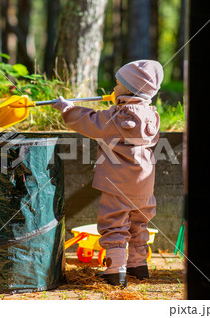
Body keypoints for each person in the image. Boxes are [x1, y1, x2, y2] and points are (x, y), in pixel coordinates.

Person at [52, 60, 163, 287]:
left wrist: (68, 109)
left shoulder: (121, 116)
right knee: (138, 223)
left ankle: (115, 270)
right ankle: (138, 266)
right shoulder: (150, 115)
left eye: (117, 84)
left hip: (119, 181)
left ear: (130, 89)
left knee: (115, 223)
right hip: (144, 181)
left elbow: (92, 123)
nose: (113, 89)